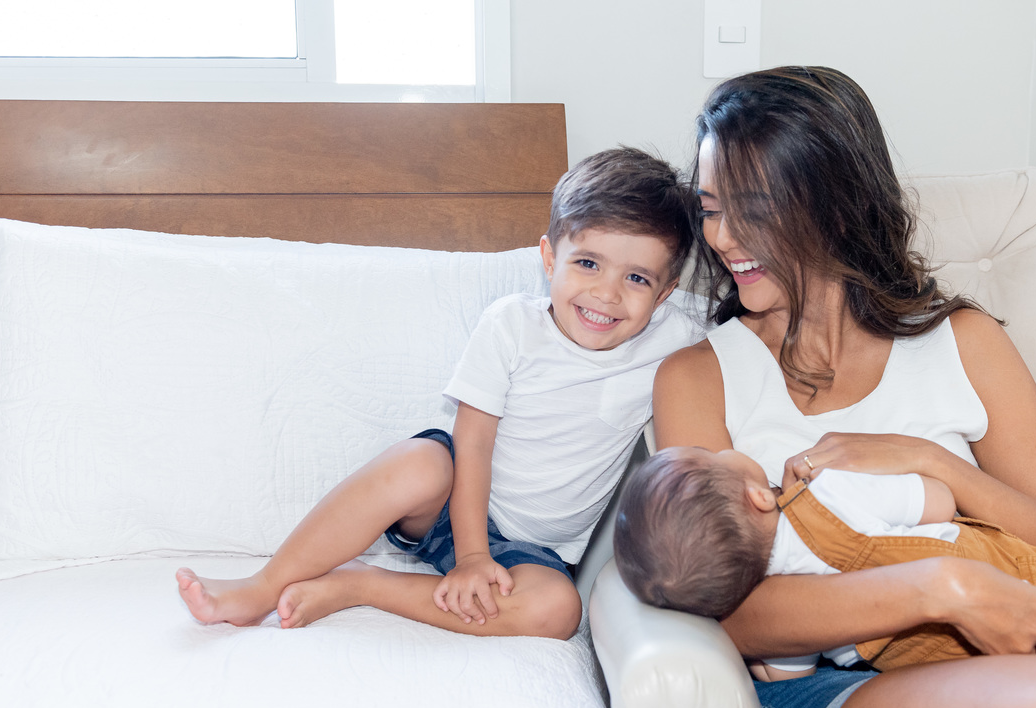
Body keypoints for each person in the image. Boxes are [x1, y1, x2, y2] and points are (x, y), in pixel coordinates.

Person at [652, 65, 1036, 708]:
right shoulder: (698, 377)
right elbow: (726, 610)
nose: (721, 236)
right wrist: (939, 588)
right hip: (828, 691)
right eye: (711, 208)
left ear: (839, 205)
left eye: (752, 208)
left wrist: (936, 466)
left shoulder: (965, 342)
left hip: (1020, 660)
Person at [175, 146, 706, 639]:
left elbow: (741, 338)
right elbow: (471, 443)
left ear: (665, 294)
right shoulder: (512, 326)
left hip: (531, 552)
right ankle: (263, 586)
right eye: (587, 263)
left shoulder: (675, 342)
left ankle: (361, 585)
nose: (606, 293)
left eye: (637, 279)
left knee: (558, 610)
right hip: (453, 504)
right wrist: (472, 555)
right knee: (422, 464)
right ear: (549, 258)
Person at [615, 446, 1036, 679]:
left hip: (991, 673)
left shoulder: (792, 613)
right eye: (713, 457)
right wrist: (924, 469)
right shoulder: (827, 493)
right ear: (757, 496)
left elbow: (782, 674)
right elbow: (937, 500)